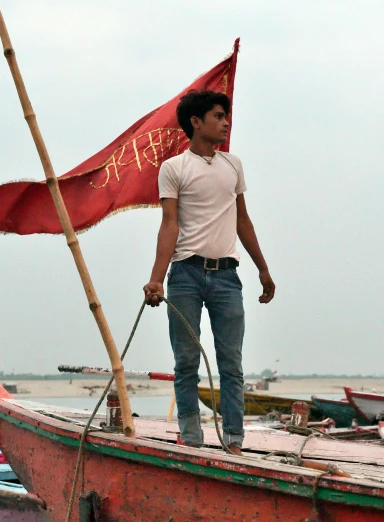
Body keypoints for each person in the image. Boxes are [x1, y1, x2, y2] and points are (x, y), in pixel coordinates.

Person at [143, 90, 275, 455]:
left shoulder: (232, 165)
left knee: (231, 362)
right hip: (185, 273)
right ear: (196, 122)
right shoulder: (174, 168)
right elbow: (169, 225)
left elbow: (243, 221)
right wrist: (156, 278)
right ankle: (192, 438)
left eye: (226, 116)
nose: (225, 122)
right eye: (218, 116)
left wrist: (263, 268)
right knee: (186, 361)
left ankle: (233, 441)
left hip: (227, 277)